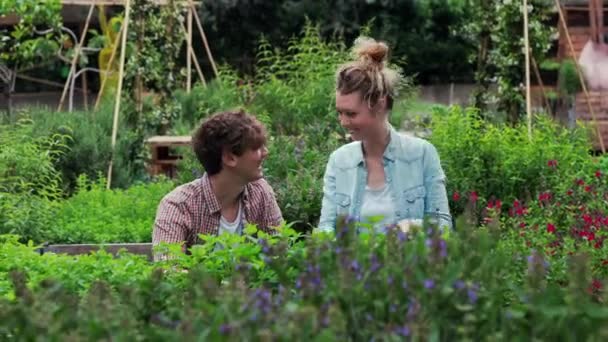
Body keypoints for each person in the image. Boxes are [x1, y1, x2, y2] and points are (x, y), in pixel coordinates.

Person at [318, 37, 451, 233]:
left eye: (351, 114)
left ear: (379, 104)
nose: (343, 122)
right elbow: (326, 229)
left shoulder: (422, 154)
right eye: (340, 112)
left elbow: (443, 227)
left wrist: (411, 228)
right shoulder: (339, 161)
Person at [152, 110, 283, 259]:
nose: (265, 152)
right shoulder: (177, 206)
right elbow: (169, 271)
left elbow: (279, 255)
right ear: (230, 157)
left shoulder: (260, 193)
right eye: (256, 148)